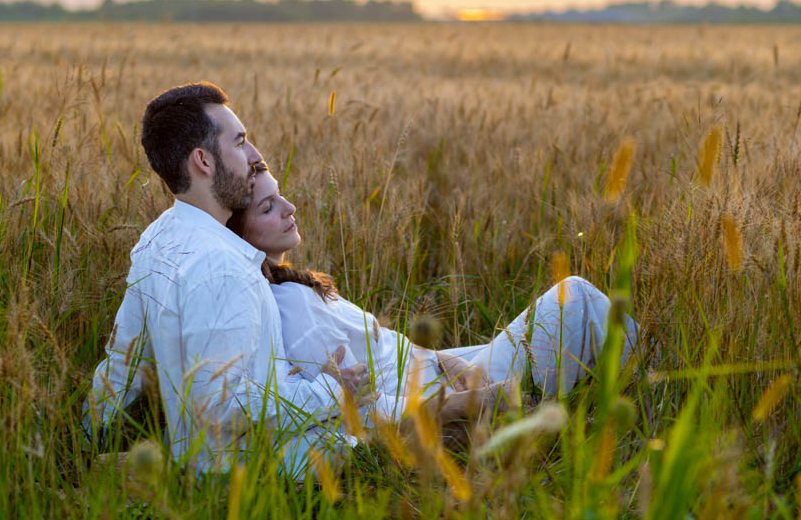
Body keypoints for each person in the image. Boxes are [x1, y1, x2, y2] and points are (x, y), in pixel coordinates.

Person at [85, 82, 365, 475]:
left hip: (195, 463)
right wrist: (332, 390)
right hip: (249, 478)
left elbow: (123, 363)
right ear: (204, 161)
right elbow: (223, 402)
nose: (254, 157)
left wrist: (84, 439)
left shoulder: (158, 236)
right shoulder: (223, 267)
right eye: (240, 143)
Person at [225, 165, 639, 428]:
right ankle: (642, 400)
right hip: (438, 398)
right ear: (241, 236)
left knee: (582, 327)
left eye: (280, 194)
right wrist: (466, 402)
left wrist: (447, 357)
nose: (289, 206)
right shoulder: (287, 309)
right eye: (267, 208)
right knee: (577, 299)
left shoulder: (289, 284)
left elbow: (387, 346)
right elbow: (362, 408)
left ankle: (616, 404)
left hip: (446, 369)